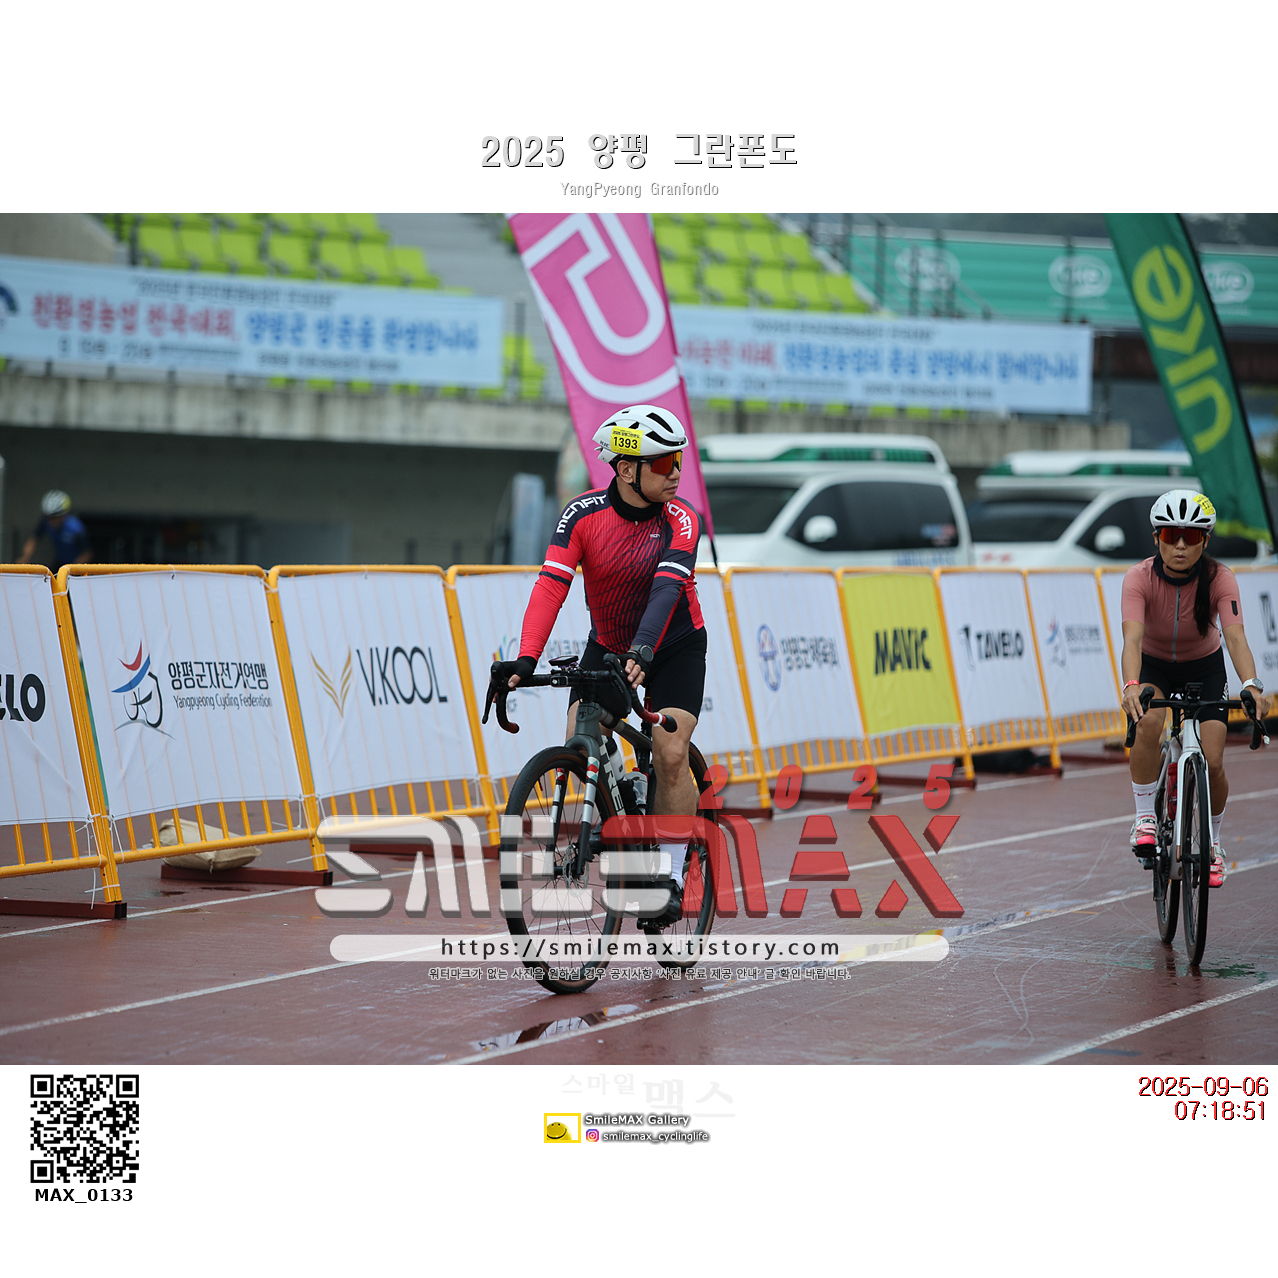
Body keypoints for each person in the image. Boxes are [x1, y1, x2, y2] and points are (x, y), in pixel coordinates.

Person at [494, 404, 706, 926]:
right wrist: (526, 657)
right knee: (578, 738)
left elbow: (666, 590)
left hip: (674, 645)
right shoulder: (582, 516)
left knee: (669, 750)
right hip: (609, 645)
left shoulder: (682, 519)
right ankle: (619, 801)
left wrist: (644, 651)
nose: (676, 473)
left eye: (679, 460)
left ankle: (671, 873)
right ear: (627, 468)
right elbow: (551, 585)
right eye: (663, 463)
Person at [1121, 489, 1269, 888]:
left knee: (1214, 761)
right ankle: (1144, 818)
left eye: (1191, 537)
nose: (1181, 546)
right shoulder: (1138, 578)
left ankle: (1214, 843)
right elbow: (1132, 639)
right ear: (1157, 538)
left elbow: (1235, 638)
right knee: (1147, 724)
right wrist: (1131, 685)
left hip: (1205, 667)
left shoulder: (1220, 578)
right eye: (1172, 536)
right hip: (1153, 665)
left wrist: (1252, 686)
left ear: (1205, 540)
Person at [17, 490, 92, 571]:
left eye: (54, 517)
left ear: (63, 515)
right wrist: (25, 558)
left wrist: (72, 570)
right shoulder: (45, 522)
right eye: (48, 517)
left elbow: (86, 553)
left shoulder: (76, 528)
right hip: (59, 561)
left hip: (75, 565)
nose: (51, 521)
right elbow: (33, 540)